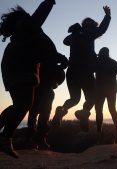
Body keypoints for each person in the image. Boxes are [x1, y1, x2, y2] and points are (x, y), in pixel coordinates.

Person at [0, 0, 57, 158]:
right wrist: (49, 1)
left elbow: (41, 49)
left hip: (15, 66)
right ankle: (5, 138)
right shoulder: (28, 26)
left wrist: (54, 56)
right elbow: (41, 13)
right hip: (21, 67)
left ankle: (4, 137)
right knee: (24, 104)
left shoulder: (24, 31)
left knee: (20, 104)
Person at [52, 6, 111, 132]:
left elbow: (65, 41)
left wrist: (75, 31)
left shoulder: (74, 35)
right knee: (92, 98)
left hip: (72, 71)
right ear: (90, 26)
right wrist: (107, 15)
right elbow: (102, 30)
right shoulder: (89, 33)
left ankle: (61, 110)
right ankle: (84, 112)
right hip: (85, 72)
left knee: (74, 99)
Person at [27, 53, 68, 150]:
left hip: (39, 86)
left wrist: (56, 73)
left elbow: (65, 62)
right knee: (39, 112)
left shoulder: (44, 51)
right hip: (39, 86)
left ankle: (36, 138)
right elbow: (65, 62)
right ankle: (37, 138)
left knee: (36, 112)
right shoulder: (44, 50)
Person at [95, 47, 117, 143]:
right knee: (112, 109)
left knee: (99, 111)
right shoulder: (112, 62)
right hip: (111, 90)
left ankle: (99, 133)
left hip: (99, 90)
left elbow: (90, 69)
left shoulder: (97, 61)